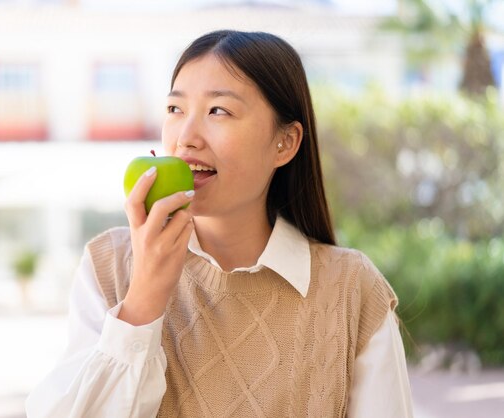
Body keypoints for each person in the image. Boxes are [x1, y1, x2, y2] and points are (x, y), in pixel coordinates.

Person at [25, 30, 414, 417]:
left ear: (286, 143)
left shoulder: (350, 290)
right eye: (175, 110)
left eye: (218, 111)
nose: (185, 139)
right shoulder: (109, 266)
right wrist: (142, 302)